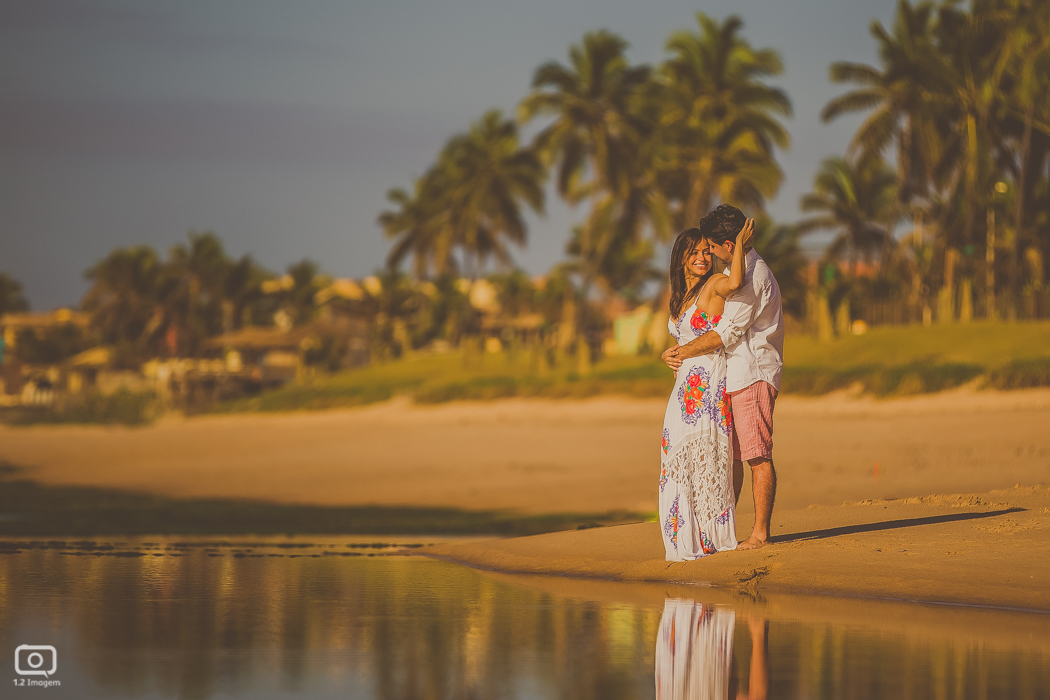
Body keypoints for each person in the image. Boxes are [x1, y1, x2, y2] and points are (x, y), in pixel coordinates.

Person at [663, 204, 784, 551]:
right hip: (730, 376)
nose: (708, 255)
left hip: (752, 371)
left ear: (727, 246)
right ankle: (719, 530)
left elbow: (727, 333)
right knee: (728, 457)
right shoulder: (737, 270)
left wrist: (683, 353)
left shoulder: (750, 276)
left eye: (711, 248)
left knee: (756, 454)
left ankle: (760, 533)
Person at [658, 219, 753, 561]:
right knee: (678, 460)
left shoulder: (713, 283)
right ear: (680, 257)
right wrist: (668, 356)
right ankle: (684, 539)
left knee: (708, 457)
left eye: (705, 251)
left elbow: (738, 281)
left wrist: (738, 243)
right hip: (682, 388)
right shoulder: (679, 296)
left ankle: (711, 538)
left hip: (709, 382)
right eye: (694, 252)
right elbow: (680, 338)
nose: (701, 257)